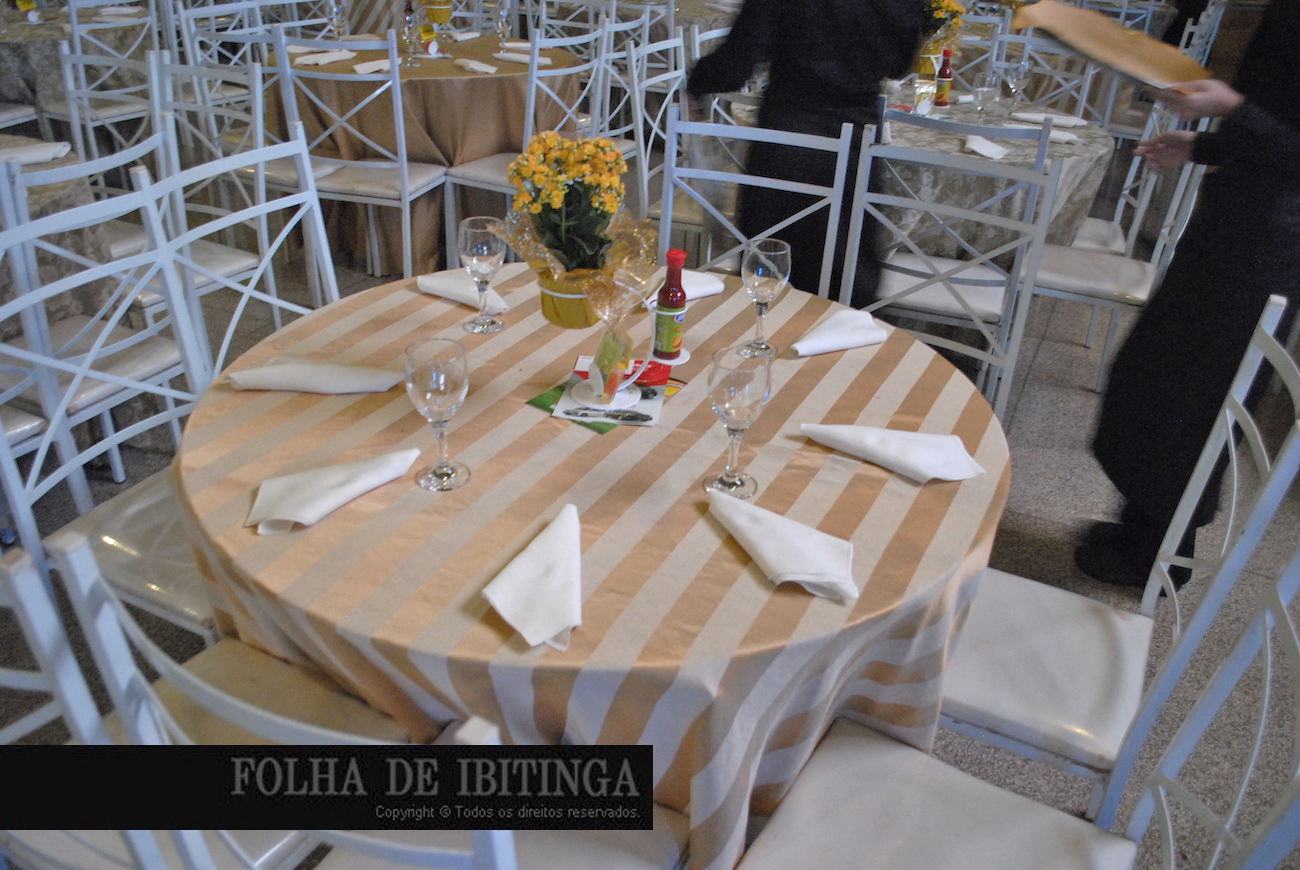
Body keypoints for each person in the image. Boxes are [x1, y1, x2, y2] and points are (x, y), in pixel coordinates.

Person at [1075, 0, 1300, 587]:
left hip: (1268, 246)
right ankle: (1141, 533)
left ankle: (1158, 558)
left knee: (1195, 399)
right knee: (1155, 381)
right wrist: (1202, 146)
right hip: (1238, 227)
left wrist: (1233, 110)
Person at [685, 0, 930, 301]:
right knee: (846, 269)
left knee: (771, 270)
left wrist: (696, 82)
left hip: (790, 140)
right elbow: (898, 65)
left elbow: (736, 64)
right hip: (856, 142)